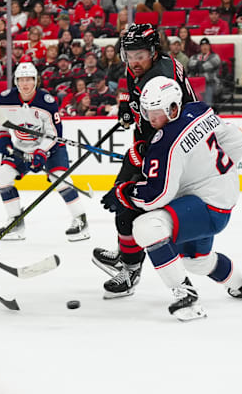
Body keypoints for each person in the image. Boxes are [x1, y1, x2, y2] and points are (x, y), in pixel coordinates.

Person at [101, 76, 242, 321]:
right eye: (147, 112)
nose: (151, 118)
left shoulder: (165, 141)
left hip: (206, 207)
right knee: (196, 262)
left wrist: (124, 193)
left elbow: (157, 197)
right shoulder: (200, 111)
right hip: (218, 196)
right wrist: (213, 174)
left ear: (172, 107)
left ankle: (185, 295)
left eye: (156, 112)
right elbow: (236, 140)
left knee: (146, 227)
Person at [92, 23, 196, 298]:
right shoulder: (142, 65)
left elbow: (169, 132)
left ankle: (130, 270)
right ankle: (126, 251)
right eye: (129, 55)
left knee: (127, 206)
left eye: (140, 55)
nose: (133, 62)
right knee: (120, 198)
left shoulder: (161, 79)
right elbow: (129, 85)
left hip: (170, 148)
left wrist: (141, 155)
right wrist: (127, 107)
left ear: (154, 51)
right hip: (149, 138)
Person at [0, 62, 89, 241]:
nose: (25, 84)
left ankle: (80, 220)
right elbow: (0, 124)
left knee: (59, 178)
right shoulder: (5, 99)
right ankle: (15, 223)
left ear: (36, 81)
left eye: (29, 79)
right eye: (21, 80)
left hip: (50, 147)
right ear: (16, 81)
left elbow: (54, 134)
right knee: (2, 176)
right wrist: (2, 138)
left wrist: (40, 152)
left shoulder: (46, 102)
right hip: (21, 147)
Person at [187, 38, 221, 105]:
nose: (204, 47)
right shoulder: (194, 56)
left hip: (209, 83)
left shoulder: (214, 56)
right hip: (195, 84)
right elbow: (190, 64)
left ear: (209, 46)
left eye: (206, 45)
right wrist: (200, 66)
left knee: (208, 87)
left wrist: (198, 66)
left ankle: (208, 107)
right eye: (202, 45)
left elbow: (204, 66)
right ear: (200, 47)